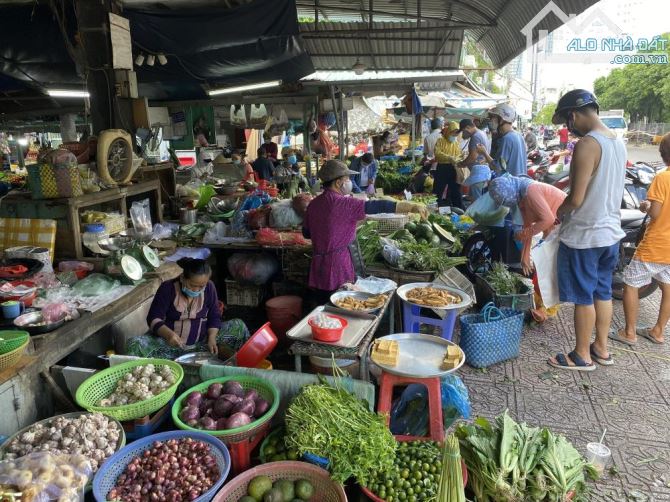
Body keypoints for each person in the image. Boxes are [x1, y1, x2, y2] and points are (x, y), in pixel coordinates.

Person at [547, 89, 626, 372]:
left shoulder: (587, 144)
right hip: (610, 234)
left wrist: (557, 212)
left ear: (573, 115)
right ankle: (601, 349)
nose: (569, 129)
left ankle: (581, 355)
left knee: (583, 297)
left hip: (586, 235)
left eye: (567, 122)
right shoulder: (617, 142)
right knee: (602, 292)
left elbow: (576, 199)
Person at [303, 160, 426, 303]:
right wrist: (410, 207)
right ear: (338, 183)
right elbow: (376, 206)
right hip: (338, 267)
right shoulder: (344, 203)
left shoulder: (313, 204)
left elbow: (306, 233)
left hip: (318, 265)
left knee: (321, 304)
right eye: (347, 179)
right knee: (341, 303)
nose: (349, 182)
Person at [610, 133, 670, 346]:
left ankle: (629, 333)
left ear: (663, 154)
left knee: (630, 284)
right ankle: (658, 331)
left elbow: (655, 212)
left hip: (656, 244)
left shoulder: (663, 178)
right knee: (667, 288)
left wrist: (645, 205)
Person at [126, 258, 249, 359]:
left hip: (202, 343)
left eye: (201, 286)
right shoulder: (167, 288)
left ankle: (236, 365)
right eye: (192, 285)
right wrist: (169, 335)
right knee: (135, 344)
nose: (196, 290)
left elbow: (214, 316)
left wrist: (212, 338)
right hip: (169, 346)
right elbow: (153, 318)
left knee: (239, 327)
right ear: (182, 278)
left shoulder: (209, 288)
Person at [488, 176, 567, 275]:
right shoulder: (521, 198)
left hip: (567, 220)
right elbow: (528, 227)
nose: (506, 204)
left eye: (505, 200)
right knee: (544, 263)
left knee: (558, 266)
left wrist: (522, 234)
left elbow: (548, 220)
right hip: (553, 228)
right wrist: (524, 258)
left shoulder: (531, 191)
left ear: (509, 192)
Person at [475, 104, 526, 177]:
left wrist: (484, 153)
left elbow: (498, 168)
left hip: (509, 182)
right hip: (520, 181)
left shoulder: (507, 139)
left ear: (501, 120)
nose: (490, 121)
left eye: (492, 118)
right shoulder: (518, 136)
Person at [459, 118, 492, 201]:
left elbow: (473, 157)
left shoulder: (476, 136)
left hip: (479, 173)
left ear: (467, 127)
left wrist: (462, 163)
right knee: (475, 198)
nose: (463, 134)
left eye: (463, 131)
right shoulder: (481, 133)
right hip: (482, 171)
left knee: (477, 201)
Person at [433, 121, 464, 208]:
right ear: (449, 131)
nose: (454, 136)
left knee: (456, 191)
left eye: (456, 134)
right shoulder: (440, 141)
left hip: (454, 168)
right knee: (438, 190)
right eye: (453, 133)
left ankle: (458, 209)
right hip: (442, 168)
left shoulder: (456, 143)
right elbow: (437, 154)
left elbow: (459, 155)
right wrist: (449, 158)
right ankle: (435, 208)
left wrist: (458, 159)